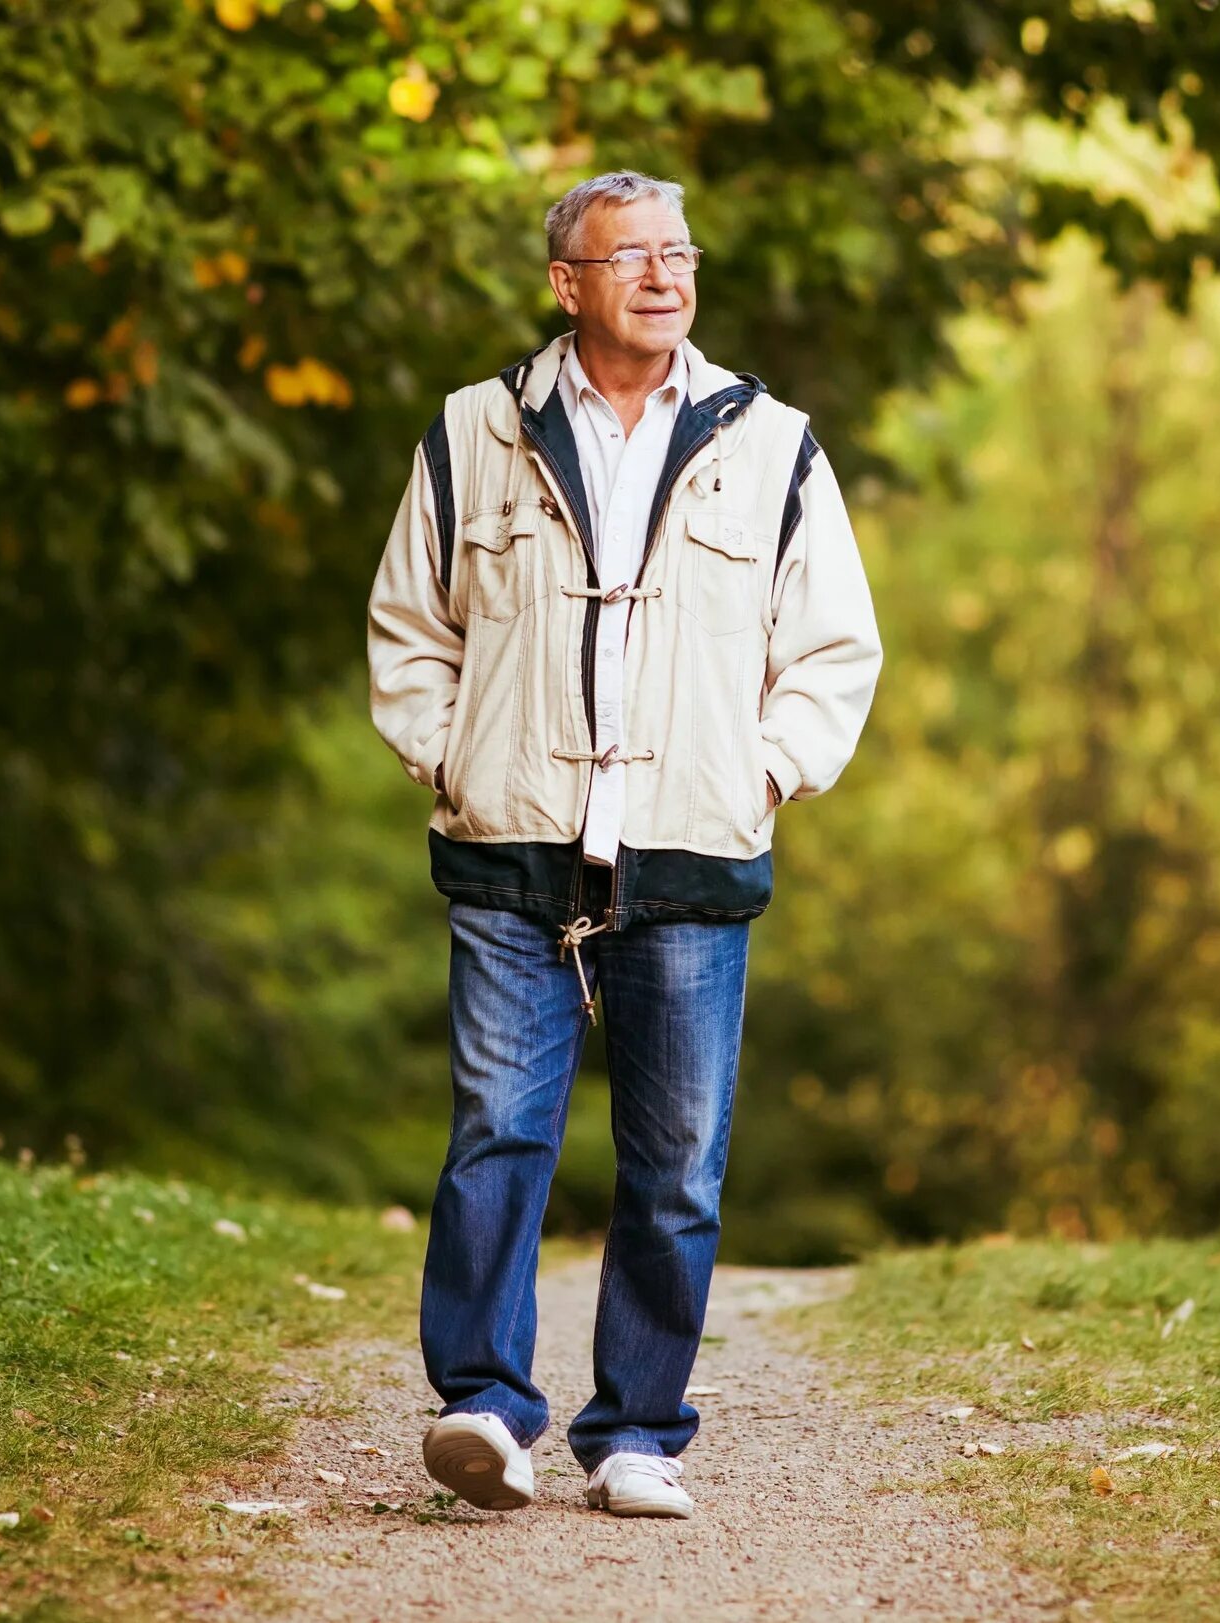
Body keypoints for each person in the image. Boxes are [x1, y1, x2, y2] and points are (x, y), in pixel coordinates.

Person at [364, 170, 883, 1519]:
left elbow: (833, 649)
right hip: (512, 847)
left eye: (680, 252)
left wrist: (757, 777)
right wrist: (457, 759)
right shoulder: (477, 431)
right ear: (567, 283)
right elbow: (410, 630)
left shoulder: (772, 443)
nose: (665, 274)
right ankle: (483, 1409)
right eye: (632, 255)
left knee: (677, 1165)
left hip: (692, 857)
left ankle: (639, 1431)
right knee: (495, 1135)